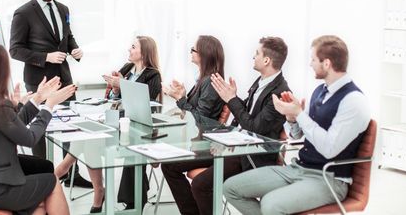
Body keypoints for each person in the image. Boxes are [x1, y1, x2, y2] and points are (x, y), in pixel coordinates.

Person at [223, 35, 371, 215]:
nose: (310, 64)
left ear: (327, 64)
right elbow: (297, 136)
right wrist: (292, 118)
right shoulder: (320, 91)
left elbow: (329, 149)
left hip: (328, 179)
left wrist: (299, 114)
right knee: (231, 188)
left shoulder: (353, 101)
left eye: (313, 59)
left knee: (271, 204)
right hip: (298, 168)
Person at [162, 36, 290, 215]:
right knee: (169, 165)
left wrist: (231, 99)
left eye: (257, 53)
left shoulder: (280, 92)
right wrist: (225, 136)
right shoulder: (260, 82)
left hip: (251, 156)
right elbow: (244, 115)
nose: (253, 57)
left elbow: (254, 128)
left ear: (267, 60)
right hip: (234, 147)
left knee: (200, 185)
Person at [0, 42, 76, 214]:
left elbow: (13, 126)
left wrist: (37, 99)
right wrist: (49, 106)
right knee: (52, 182)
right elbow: (29, 138)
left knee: (43, 170)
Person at [54, 35, 162, 212]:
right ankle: (96, 188)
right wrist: (117, 89)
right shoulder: (127, 68)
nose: (129, 49)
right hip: (115, 121)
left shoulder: (153, 75)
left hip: (134, 128)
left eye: (133, 47)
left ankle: (67, 167)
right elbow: (113, 98)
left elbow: (146, 103)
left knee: (89, 138)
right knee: (88, 136)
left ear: (144, 52)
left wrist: (122, 85)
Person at [9, 0, 90, 188]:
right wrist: (45, 57)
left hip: (64, 78)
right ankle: (41, 176)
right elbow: (15, 50)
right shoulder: (23, 12)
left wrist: (75, 50)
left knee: (70, 126)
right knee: (40, 131)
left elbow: (67, 36)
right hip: (39, 82)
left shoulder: (63, 8)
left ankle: (70, 174)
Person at [161, 35, 226, 213]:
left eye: (193, 49)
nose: (190, 51)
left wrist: (181, 99)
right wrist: (183, 95)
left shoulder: (211, 82)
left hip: (208, 147)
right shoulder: (204, 79)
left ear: (204, 54)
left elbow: (199, 118)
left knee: (168, 166)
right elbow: (196, 112)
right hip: (199, 142)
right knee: (167, 163)